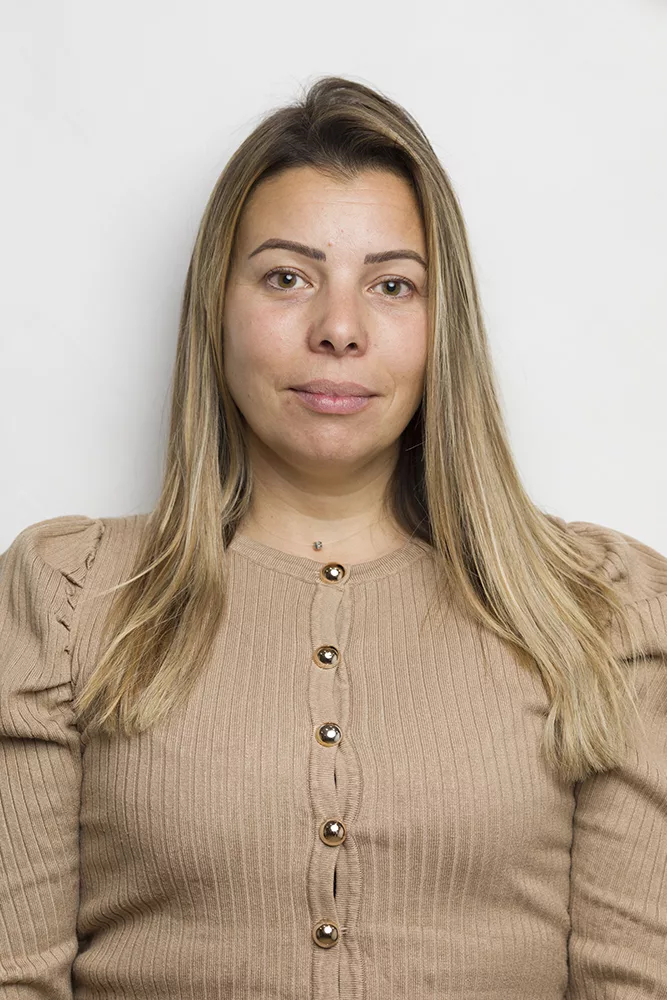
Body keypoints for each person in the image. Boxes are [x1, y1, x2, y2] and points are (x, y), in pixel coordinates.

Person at [0, 75, 665, 999]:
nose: (339, 329)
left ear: (444, 327)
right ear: (214, 307)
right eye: (286, 277)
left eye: (392, 285)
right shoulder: (69, 596)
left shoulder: (598, 606)